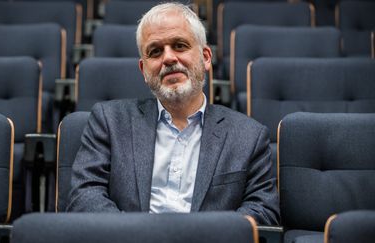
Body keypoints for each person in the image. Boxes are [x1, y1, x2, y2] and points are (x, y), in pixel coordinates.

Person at [67, 2, 279, 225]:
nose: (168, 58)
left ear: (206, 57)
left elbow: (263, 211)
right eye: (155, 51)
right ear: (144, 69)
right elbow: (84, 197)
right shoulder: (109, 121)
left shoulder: (248, 136)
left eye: (179, 46)